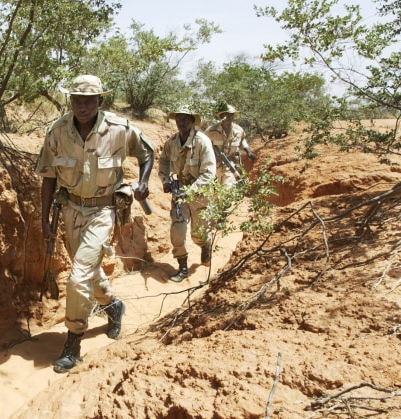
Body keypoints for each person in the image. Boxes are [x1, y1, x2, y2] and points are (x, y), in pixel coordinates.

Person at [36, 74, 154, 373]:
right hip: (70, 211)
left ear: (100, 101)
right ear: (70, 100)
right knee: (88, 270)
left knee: (77, 278)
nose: (82, 105)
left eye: (89, 100)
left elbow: (147, 153)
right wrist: (44, 216)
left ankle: (73, 341)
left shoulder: (119, 129)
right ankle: (114, 307)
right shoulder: (57, 131)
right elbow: (49, 175)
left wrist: (142, 182)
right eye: (77, 99)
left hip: (103, 212)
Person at [158, 105, 217, 281]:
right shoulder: (172, 142)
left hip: (201, 193)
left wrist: (191, 192)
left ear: (192, 121)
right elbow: (163, 162)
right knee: (178, 229)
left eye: (185, 118)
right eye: (178, 118)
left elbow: (209, 172)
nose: (181, 122)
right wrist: (166, 181)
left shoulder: (202, 142)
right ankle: (182, 268)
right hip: (179, 191)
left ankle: (205, 245)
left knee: (198, 234)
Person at [204, 103, 257, 187]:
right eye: (227, 114)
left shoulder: (239, 130)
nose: (230, 116)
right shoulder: (211, 131)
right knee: (215, 192)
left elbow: (242, 140)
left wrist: (248, 151)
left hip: (231, 164)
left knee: (228, 188)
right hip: (214, 166)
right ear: (221, 116)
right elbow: (203, 144)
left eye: (232, 114)